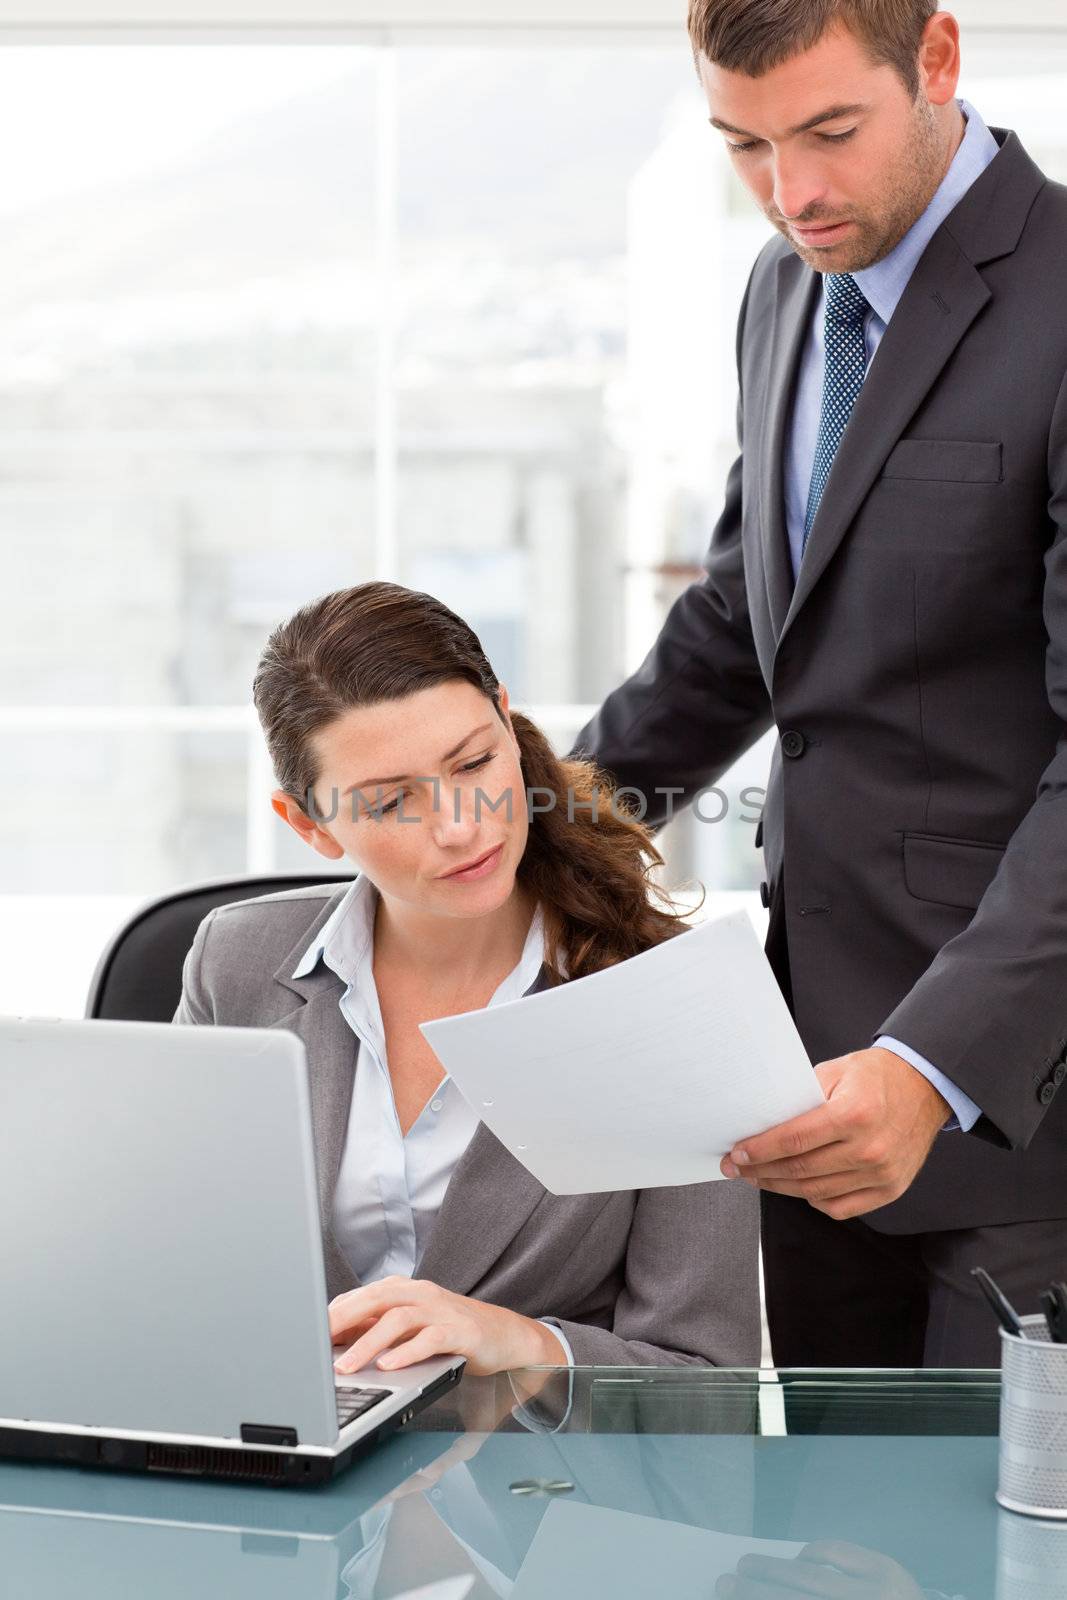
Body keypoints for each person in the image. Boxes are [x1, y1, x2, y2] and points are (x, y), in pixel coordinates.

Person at [572, 1, 1067, 1367]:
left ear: (937, 60)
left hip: (1018, 1097)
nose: (790, 194)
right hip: (802, 1078)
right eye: (742, 146)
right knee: (829, 1546)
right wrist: (541, 831)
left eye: (828, 132)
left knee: (1011, 1556)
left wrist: (933, 1066)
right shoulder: (786, 290)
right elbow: (748, 615)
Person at [173, 580, 760, 1376]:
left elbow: (708, 1380)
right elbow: (180, 1268)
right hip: (284, 1463)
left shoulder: (673, 1004)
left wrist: (520, 1344)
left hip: (543, 1484)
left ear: (509, 725)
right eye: (389, 803)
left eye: (475, 761)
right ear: (308, 825)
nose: (460, 826)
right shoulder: (233, 963)